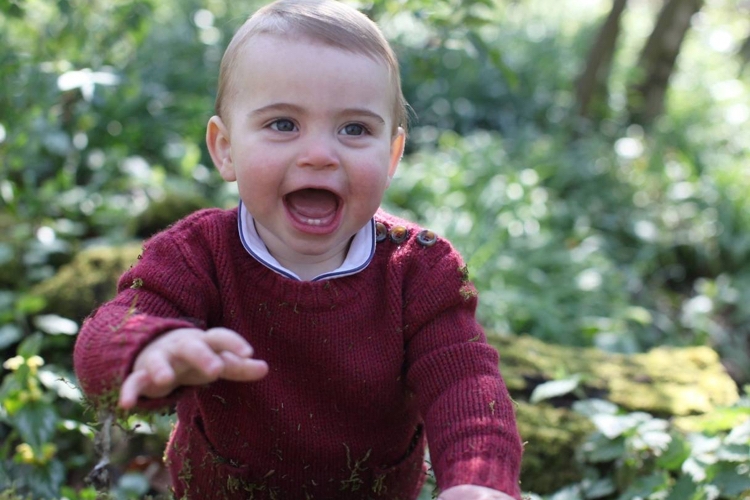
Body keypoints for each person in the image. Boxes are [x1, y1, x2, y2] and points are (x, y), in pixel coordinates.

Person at [73, 0, 523, 498]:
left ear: (392, 154)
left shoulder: (419, 268)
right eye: (283, 124)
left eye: (355, 129)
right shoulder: (195, 253)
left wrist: (480, 482)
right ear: (225, 149)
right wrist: (148, 346)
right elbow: (106, 334)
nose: (319, 155)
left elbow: (465, 381)